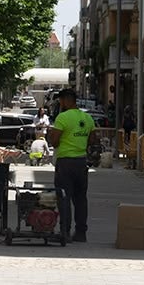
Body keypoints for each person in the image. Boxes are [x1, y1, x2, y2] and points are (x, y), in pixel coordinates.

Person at [48, 88, 96, 243]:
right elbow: (92, 140)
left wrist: (51, 136)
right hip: (81, 162)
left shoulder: (62, 118)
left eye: (60, 101)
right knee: (81, 199)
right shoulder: (88, 118)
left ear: (64, 100)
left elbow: (54, 142)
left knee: (64, 197)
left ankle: (65, 231)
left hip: (65, 163)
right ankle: (81, 233)